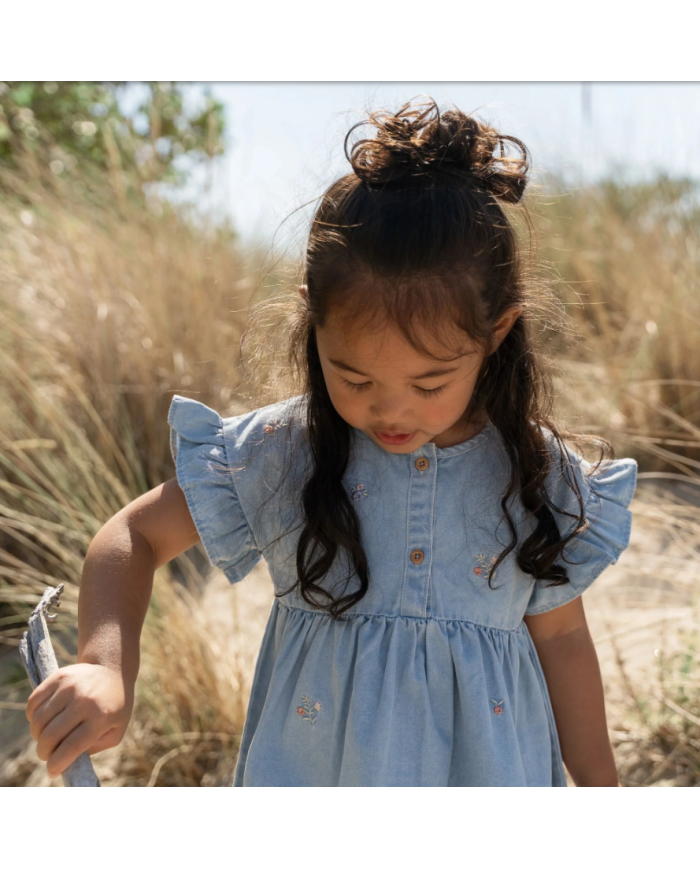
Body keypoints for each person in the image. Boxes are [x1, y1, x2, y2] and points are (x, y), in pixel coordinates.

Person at [25, 98, 637, 786]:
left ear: (496, 333)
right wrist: (107, 667)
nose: (391, 407)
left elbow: (562, 639)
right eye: (354, 375)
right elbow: (132, 536)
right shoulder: (290, 451)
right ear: (313, 323)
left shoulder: (534, 474)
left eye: (430, 381)